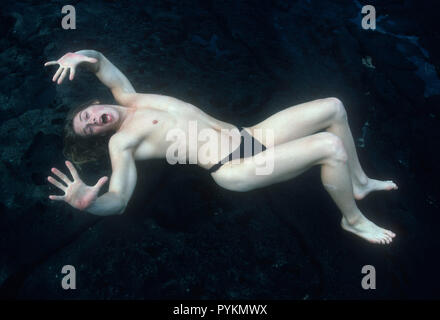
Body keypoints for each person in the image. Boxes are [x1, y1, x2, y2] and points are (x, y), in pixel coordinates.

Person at [44, 50, 398, 245]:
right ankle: (352, 220)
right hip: (233, 168)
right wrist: (90, 205)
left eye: (87, 116)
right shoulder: (122, 141)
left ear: (93, 103)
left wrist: (78, 56)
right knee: (330, 146)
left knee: (333, 107)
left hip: (251, 135)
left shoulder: (130, 96)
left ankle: (359, 182)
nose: (92, 122)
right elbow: (119, 199)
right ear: (99, 136)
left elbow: (101, 63)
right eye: (89, 129)